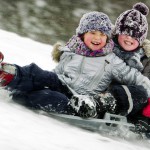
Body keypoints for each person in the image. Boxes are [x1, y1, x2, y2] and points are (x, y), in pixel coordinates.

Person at [0, 11, 150, 120]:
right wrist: (40, 80)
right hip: (61, 82)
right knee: (37, 73)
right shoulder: (71, 50)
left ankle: (23, 95)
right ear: (82, 34)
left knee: (53, 98)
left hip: (79, 99)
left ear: (108, 37)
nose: (98, 38)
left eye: (103, 34)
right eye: (93, 32)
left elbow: (138, 80)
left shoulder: (111, 60)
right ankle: (8, 73)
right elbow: (57, 72)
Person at [107, 2, 150, 137]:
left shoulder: (144, 59)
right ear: (117, 32)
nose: (129, 38)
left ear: (141, 40)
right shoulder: (105, 47)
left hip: (132, 104)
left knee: (141, 93)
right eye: (125, 32)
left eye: (135, 36)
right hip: (102, 91)